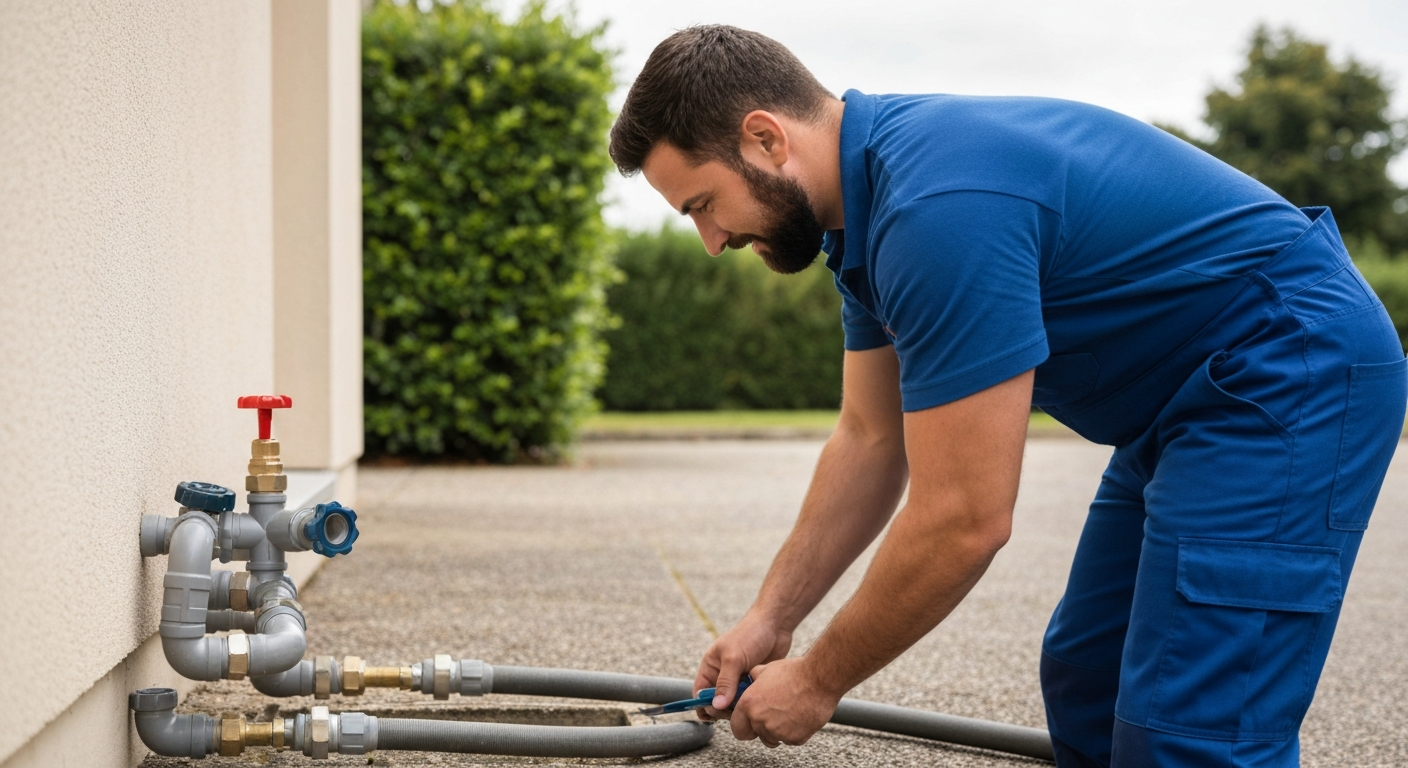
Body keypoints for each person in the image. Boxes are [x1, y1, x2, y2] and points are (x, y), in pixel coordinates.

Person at [607, 25, 1406, 768]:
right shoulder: (864, 221)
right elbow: (870, 441)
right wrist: (771, 621)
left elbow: (964, 519)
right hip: (1188, 402)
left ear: (765, 138)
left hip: (1290, 367)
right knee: (1086, 676)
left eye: (704, 206)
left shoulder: (937, 211)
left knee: (1189, 727)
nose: (712, 243)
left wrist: (818, 679)